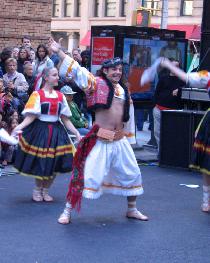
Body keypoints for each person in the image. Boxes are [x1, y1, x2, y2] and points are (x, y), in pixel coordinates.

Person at [48, 38, 148, 224]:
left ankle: (132, 209)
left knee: (132, 173)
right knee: (85, 175)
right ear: (106, 71)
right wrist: (59, 52)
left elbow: (128, 115)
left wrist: (129, 137)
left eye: (119, 69)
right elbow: (77, 70)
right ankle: (67, 211)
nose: (117, 72)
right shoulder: (95, 83)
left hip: (119, 140)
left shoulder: (124, 90)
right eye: (113, 69)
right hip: (99, 140)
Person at [146, 57, 210, 213]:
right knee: (208, 164)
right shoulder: (207, 76)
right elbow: (187, 77)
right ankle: (206, 199)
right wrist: (167, 64)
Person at [13, 66, 81, 202]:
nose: (57, 77)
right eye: (54, 75)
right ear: (46, 77)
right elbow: (31, 116)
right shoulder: (37, 95)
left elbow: (65, 119)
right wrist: (18, 127)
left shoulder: (61, 96)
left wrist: (76, 133)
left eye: (57, 75)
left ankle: (46, 190)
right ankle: (37, 190)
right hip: (40, 130)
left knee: (55, 163)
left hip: (57, 132)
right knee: (42, 162)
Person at [153, 58, 185, 152]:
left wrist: (180, 90)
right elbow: (157, 92)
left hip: (173, 111)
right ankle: (161, 152)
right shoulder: (163, 78)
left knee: (171, 133)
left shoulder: (182, 80)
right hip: (159, 109)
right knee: (158, 132)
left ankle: (169, 153)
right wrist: (155, 104)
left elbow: (187, 92)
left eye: (177, 66)